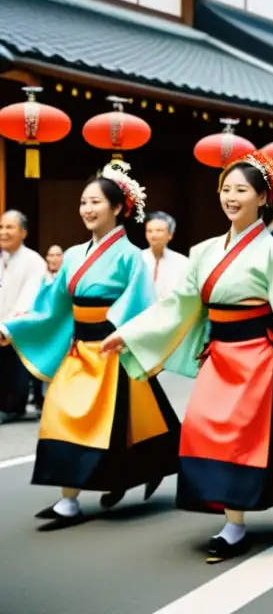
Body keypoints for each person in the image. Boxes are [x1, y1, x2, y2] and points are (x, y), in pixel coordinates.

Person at [101, 153, 273, 562]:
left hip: (256, 358)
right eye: (226, 189)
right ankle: (230, 515)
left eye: (241, 190)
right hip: (218, 357)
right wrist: (129, 333)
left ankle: (233, 524)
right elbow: (177, 304)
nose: (231, 197)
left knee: (240, 439)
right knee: (201, 427)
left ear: (262, 198)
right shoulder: (203, 251)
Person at [0, 162, 179, 528]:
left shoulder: (130, 256)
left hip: (113, 349)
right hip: (79, 349)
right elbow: (52, 306)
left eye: (95, 201)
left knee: (115, 426)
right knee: (59, 413)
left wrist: (124, 334)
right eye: (83, 202)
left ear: (117, 208)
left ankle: (88, 493)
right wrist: (13, 328)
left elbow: (141, 305)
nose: (87, 209)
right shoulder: (72, 256)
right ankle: (69, 499)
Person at [0, 210, 48, 421]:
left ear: (23, 233)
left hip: (18, 328)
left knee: (14, 370)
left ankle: (13, 408)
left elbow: (30, 297)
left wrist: (7, 327)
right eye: (1, 227)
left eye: (9, 227)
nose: (3, 232)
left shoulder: (34, 261)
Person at [141, 211, 189, 299]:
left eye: (159, 230)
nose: (154, 235)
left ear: (170, 235)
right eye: (149, 231)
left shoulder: (182, 262)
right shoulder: (137, 258)